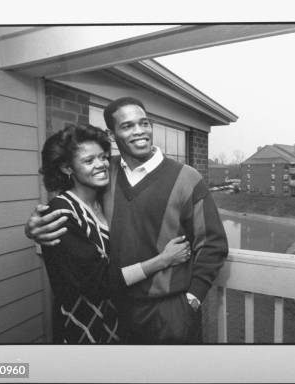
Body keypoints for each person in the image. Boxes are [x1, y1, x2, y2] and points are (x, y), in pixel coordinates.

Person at [26, 97, 228, 344]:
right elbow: (73, 202)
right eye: (128, 126)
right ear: (113, 135)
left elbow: (213, 245)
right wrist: (34, 226)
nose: (139, 131)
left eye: (144, 123)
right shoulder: (106, 172)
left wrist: (192, 300)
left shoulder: (188, 178)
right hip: (115, 312)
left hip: (169, 312)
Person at [39, 124, 191, 344]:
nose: (101, 165)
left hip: (117, 320)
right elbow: (100, 281)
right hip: (83, 325)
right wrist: (163, 260)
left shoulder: (103, 201)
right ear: (66, 168)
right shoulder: (61, 213)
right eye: (89, 161)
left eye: (102, 157)